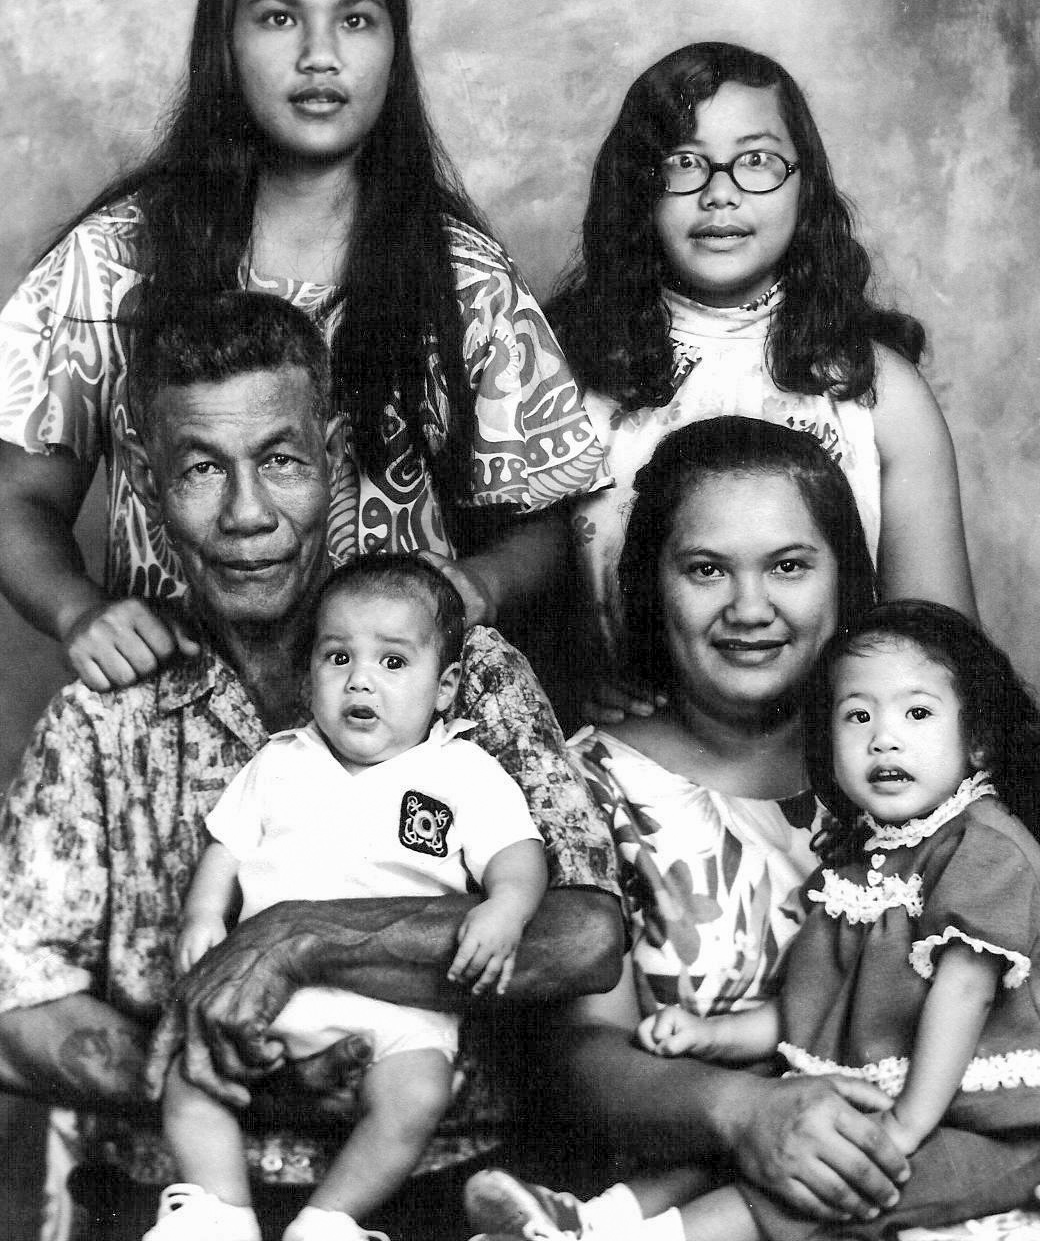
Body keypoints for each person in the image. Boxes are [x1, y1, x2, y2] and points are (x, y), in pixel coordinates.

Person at [0, 292, 622, 1241]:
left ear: (333, 452)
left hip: (438, 1184)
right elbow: (16, 1006)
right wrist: (238, 1069)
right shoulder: (108, 710)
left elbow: (581, 940)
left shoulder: (466, 673)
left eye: (281, 461)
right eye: (202, 469)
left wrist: (297, 938)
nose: (248, 515)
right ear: (149, 478)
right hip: (165, 1194)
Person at [0, 0, 607, 693]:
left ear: (395, 48)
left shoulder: (461, 277)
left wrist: (479, 586)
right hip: (178, 718)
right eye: (280, 19)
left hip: (388, 740)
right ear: (225, 43)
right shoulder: (114, 259)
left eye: (355, 20)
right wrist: (78, 609)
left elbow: (547, 522)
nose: (321, 55)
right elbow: (17, 495)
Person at [462, 418, 1033, 1241]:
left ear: (846, 578)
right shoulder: (581, 784)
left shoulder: (932, 786)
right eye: (705, 570)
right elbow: (578, 1060)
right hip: (706, 1198)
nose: (750, 608)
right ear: (651, 586)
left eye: (791, 566)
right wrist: (743, 1111)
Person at [151, 555, 549, 1241]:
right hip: (268, 996)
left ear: (445, 685)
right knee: (191, 1078)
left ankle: (328, 1221)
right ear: (310, 678)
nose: (360, 679)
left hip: (397, 1004)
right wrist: (204, 913)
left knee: (418, 1094)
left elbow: (519, 852)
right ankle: (222, 1214)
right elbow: (227, 846)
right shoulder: (281, 762)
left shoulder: (460, 772)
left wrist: (506, 905)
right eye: (338, 658)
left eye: (393, 663)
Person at [548, 41, 975, 666]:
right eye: (683, 162)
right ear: (637, 187)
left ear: (807, 186)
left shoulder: (880, 390)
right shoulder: (562, 374)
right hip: (622, 740)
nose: (720, 193)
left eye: (756, 160)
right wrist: (577, 678)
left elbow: (944, 660)